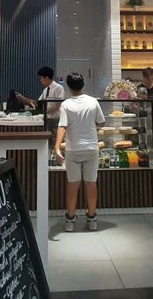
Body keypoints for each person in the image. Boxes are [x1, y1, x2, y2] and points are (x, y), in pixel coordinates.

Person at [54, 73, 105, 232]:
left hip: (73, 149)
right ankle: (92, 219)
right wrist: (90, 127)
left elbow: (62, 126)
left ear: (68, 86)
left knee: (73, 184)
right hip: (91, 148)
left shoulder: (66, 104)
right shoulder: (93, 101)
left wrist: (57, 147)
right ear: (83, 85)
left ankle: (70, 220)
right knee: (91, 183)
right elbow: (101, 122)